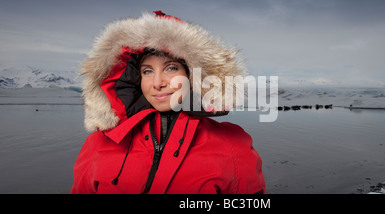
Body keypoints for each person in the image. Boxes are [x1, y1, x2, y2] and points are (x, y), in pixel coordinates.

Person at [70, 11, 265, 194]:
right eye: (147, 71)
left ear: (192, 75)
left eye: (171, 68)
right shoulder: (99, 143)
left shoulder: (232, 146)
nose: (157, 83)